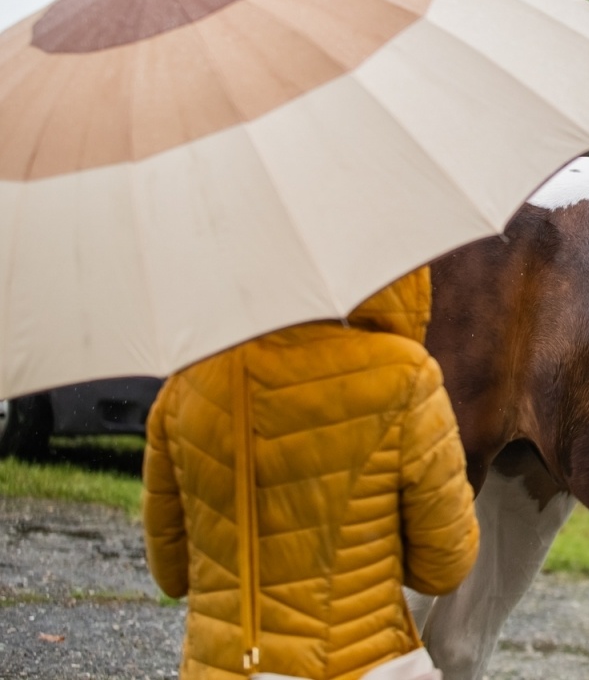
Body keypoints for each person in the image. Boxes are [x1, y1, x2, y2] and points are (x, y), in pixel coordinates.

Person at [142, 267, 479, 680]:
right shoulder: (406, 378)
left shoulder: (184, 391)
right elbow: (445, 564)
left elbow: (172, 575)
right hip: (359, 666)